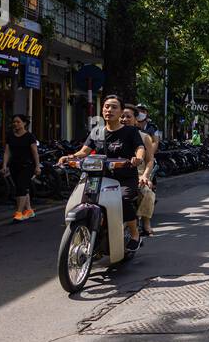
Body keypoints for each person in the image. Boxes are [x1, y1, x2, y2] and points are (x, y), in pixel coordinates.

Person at [57, 94, 149, 251]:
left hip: (124, 179)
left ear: (120, 112)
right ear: (102, 110)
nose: (109, 110)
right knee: (84, 199)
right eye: (107, 106)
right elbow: (84, 151)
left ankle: (134, 234)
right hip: (98, 178)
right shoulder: (96, 132)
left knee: (123, 199)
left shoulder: (130, 132)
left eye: (114, 107)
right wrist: (70, 157)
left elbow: (140, 148)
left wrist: (138, 158)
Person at [123, 104, 157, 237]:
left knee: (147, 193)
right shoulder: (108, 134)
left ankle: (146, 223)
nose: (124, 119)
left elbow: (149, 160)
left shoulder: (144, 137)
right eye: (122, 116)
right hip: (114, 175)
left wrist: (145, 176)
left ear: (136, 120)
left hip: (137, 174)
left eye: (128, 117)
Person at [1, 113, 41, 222]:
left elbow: (35, 153)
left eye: (18, 122)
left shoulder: (29, 136)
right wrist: (4, 165)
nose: (16, 124)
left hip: (27, 165)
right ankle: (28, 210)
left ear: (24, 123)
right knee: (22, 188)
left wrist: (37, 166)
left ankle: (18, 212)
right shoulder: (10, 136)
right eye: (14, 122)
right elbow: (7, 152)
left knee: (21, 188)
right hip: (14, 165)